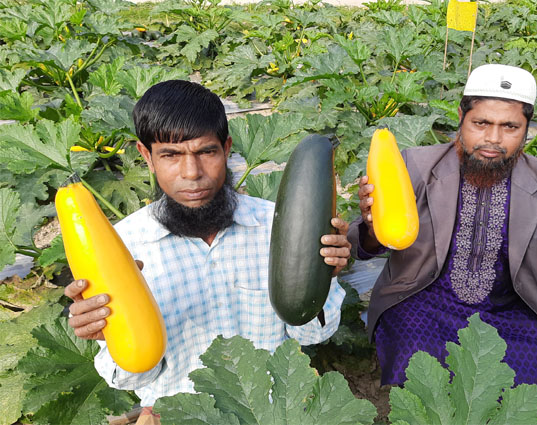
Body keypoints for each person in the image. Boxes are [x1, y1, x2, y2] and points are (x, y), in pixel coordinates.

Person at [348, 64, 537, 415]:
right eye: (481, 123)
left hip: (513, 312)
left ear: (527, 129)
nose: (494, 139)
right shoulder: (414, 166)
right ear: (461, 117)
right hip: (422, 302)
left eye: (509, 127)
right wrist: (372, 230)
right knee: (425, 379)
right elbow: (361, 246)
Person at [64, 80, 350, 423]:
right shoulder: (121, 247)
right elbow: (134, 378)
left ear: (227, 148)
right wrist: (108, 334)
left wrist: (324, 277)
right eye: (171, 155)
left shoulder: (277, 229)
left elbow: (313, 335)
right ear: (147, 156)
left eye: (206, 152)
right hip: (172, 417)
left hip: (266, 414)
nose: (192, 173)